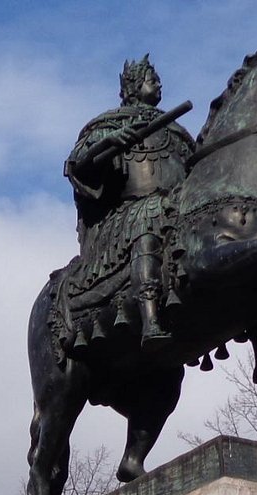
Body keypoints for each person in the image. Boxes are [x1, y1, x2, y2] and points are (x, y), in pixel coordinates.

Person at [63, 55, 195, 347]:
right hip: (128, 215)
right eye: (152, 78)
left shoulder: (177, 132)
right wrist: (110, 142)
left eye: (157, 78)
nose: (159, 83)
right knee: (148, 216)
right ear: (134, 87)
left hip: (177, 205)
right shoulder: (108, 125)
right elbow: (78, 165)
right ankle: (150, 318)